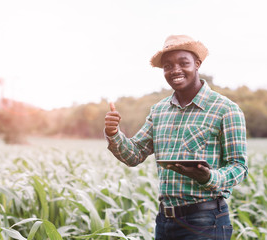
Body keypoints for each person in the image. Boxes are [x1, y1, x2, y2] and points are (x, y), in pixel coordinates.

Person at [104, 35, 248, 240]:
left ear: (197, 64)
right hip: (165, 221)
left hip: (206, 221)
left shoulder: (226, 109)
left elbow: (239, 167)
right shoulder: (159, 111)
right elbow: (133, 155)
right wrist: (113, 133)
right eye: (168, 66)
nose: (175, 70)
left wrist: (208, 177)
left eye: (183, 63)